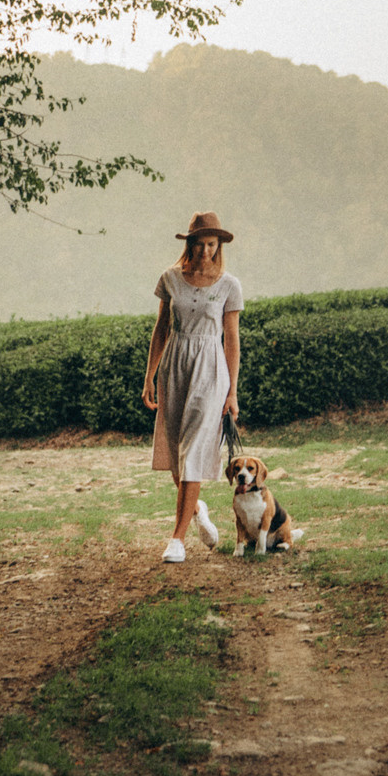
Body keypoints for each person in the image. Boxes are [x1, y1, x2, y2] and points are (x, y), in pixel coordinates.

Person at [142, 211, 243, 563]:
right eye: (199, 244)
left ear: (219, 246)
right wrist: (150, 376)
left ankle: (177, 539)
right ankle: (197, 509)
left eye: (211, 245)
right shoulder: (170, 279)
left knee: (196, 450)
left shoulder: (229, 285)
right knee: (178, 456)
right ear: (190, 244)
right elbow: (160, 329)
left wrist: (232, 392)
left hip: (211, 370)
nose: (205, 251)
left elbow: (231, 340)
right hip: (174, 366)